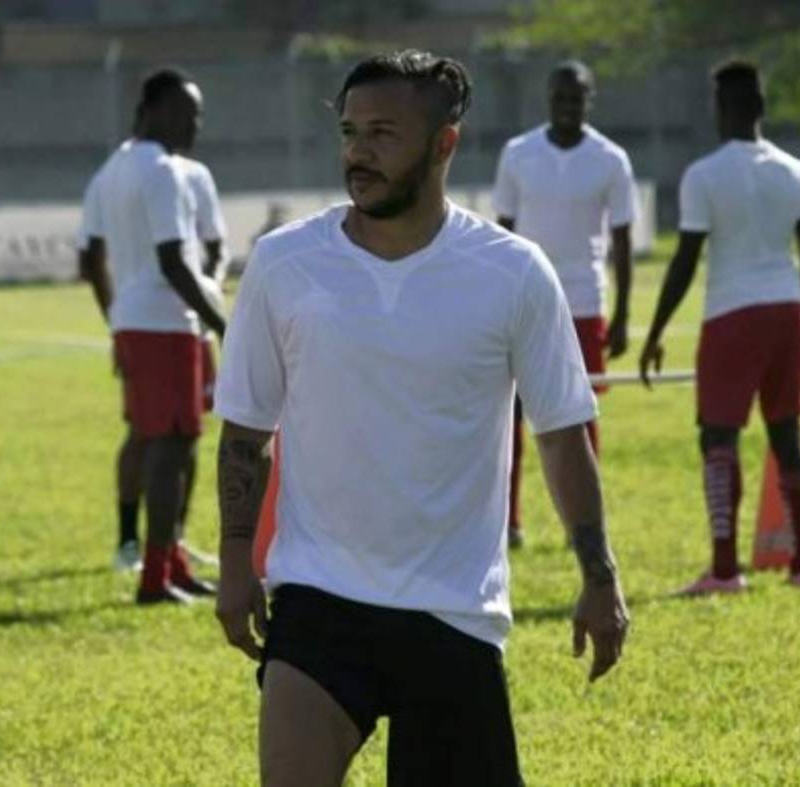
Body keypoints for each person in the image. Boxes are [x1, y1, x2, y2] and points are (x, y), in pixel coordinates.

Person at [213, 50, 630, 786]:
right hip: (319, 600)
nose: (358, 152)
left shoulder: (513, 272)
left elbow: (563, 438)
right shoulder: (285, 264)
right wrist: (235, 562)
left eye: (383, 133)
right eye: (350, 132)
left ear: (444, 144)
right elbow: (247, 430)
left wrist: (599, 575)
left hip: (453, 612)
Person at [638, 60, 800, 593]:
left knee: (718, 437)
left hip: (731, 315)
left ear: (719, 109)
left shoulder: (704, 175)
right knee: (786, 433)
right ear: (762, 107)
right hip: (787, 312)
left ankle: (725, 570)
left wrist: (656, 332)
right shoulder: (797, 172)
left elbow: (685, 260)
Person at [77, 67, 227, 605]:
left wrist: (117, 319)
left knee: (171, 439)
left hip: (141, 320)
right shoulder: (161, 170)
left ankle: (172, 562)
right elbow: (173, 260)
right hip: (165, 321)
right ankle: (154, 577)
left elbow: (90, 258)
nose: (195, 125)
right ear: (153, 110)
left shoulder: (111, 170)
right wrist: (221, 324)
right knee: (170, 444)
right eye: (187, 113)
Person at [492, 59, 639, 549]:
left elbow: (622, 239)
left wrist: (622, 314)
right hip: (525, 302)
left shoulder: (610, 159)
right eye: (560, 98)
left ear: (589, 100)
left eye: (576, 98)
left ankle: (583, 525)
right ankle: (508, 520)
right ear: (548, 100)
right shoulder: (518, 154)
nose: (568, 106)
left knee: (579, 414)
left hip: (584, 301)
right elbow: (504, 233)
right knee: (509, 415)